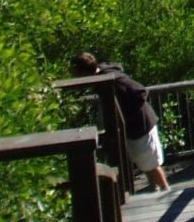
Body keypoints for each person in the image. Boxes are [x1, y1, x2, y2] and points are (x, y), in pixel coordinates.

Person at [70, 51, 170, 192]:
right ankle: (156, 189)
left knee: (150, 162)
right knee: (143, 161)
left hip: (141, 124)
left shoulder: (113, 79)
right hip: (133, 126)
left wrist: (127, 114)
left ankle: (165, 189)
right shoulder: (103, 78)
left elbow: (140, 91)